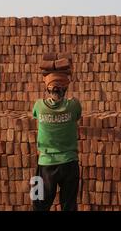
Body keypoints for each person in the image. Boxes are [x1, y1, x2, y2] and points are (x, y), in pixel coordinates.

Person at [32, 71, 82, 211]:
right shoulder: (74, 105)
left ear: (47, 89)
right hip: (70, 163)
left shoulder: (39, 106)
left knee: (39, 205)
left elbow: (35, 115)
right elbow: (77, 116)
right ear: (65, 89)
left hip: (46, 164)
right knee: (69, 206)